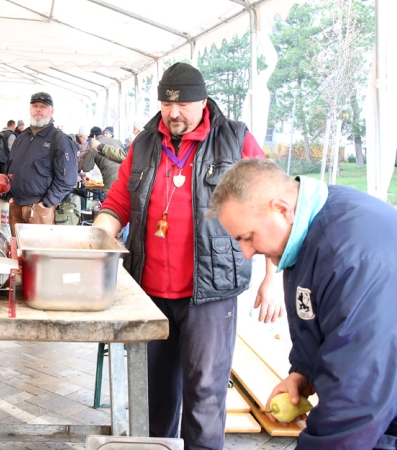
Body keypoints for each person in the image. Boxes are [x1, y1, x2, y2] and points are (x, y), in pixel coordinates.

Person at [92, 62, 283, 449]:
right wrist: (96, 240)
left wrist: (272, 276)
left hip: (210, 293)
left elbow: (273, 207)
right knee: (153, 392)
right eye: (166, 104)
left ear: (203, 101)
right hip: (150, 291)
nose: (173, 114)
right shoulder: (146, 142)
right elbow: (119, 201)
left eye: (182, 105)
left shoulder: (234, 140)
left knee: (205, 393)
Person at [207, 159, 397, 449]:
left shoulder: (353, 258)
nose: (246, 253)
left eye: (248, 238)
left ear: (282, 210)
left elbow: (356, 400)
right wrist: (303, 372)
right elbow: (317, 315)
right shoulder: (310, 227)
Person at [5, 92, 77, 235]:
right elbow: (10, 167)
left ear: (51, 111)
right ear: (30, 109)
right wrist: (10, 198)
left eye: (43, 107)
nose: (38, 110)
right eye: (35, 106)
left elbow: (68, 180)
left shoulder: (60, 139)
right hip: (16, 206)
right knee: (17, 252)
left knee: (38, 255)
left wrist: (45, 204)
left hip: (39, 210)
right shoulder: (21, 138)